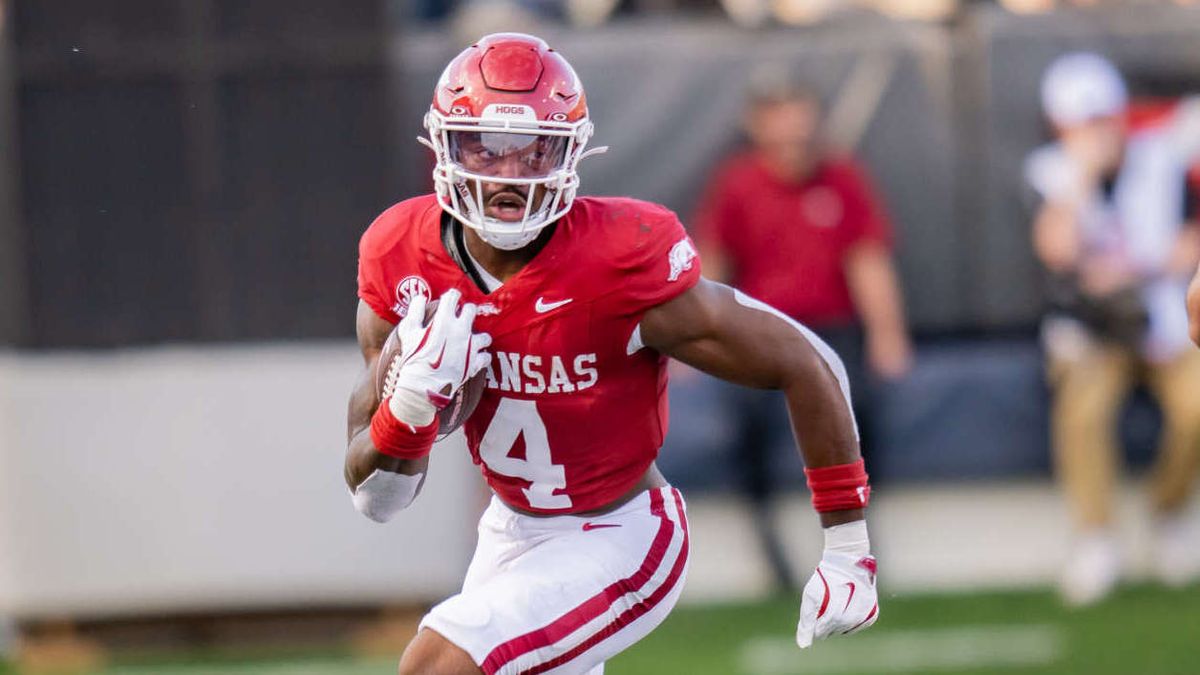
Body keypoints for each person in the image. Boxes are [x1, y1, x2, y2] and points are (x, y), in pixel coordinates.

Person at [344, 33, 879, 675]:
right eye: (485, 146)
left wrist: (848, 547)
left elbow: (803, 359)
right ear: (445, 146)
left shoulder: (619, 260)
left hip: (623, 534)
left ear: (570, 154)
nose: (507, 175)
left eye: (532, 150)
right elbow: (379, 501)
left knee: (437, 665)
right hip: (508, 531)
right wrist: (407, 409)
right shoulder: (401, 255)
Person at [693, 72, 910, 591]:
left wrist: (888, 334)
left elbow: (868, 261)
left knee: (858, 420)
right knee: (745, 423)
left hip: (832, 332)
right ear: (759, 125)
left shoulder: (842, 178)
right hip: (763, 333)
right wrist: (688, 344)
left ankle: (855, 540)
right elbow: (713, 263)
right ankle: (768, 540)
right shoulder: (737, 182)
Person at [1026, 52, 1200, 606]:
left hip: (1166, 321)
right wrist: (1080, 177)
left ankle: (1169, 515)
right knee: (1083, 409)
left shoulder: (1165, 159)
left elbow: (1187, 245)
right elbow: (1056, 251)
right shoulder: (1047, 172)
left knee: (1196, 407)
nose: (1098, 130)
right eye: (1082, 122)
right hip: (1091, 331)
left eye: (1103, 117)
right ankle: (1096, 537)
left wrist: (1130, 268)